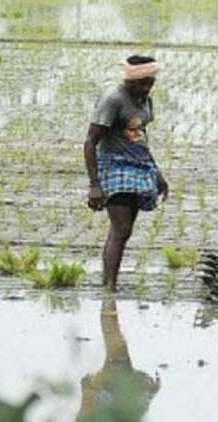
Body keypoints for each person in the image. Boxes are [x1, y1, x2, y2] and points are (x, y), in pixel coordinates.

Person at [84, 55, 169, 291]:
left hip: (138, 164)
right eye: (142, 83)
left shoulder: (145, 100)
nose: (146, 87)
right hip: (114, 164)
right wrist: (94, 184)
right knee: (121, 229)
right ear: (129, 80)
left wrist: (157, 172)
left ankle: (109, 282)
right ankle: (109, 287)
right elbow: (91, 142)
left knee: (123, 231)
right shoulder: (113, 99)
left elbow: (139, 135)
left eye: (150, 82)